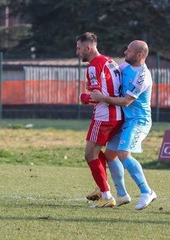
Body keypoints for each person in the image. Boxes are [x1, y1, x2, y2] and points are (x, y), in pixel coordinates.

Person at [90, 40, 157, 210]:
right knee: (110, 155)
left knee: (123, 153)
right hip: (124, 120)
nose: (125, 52)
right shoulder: (124, 67)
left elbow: (127, 101)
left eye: (129, 50)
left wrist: (102, 98)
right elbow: (110, 80)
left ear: (140, 55)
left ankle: (146, 191)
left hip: (138, 121)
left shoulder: (143, 76)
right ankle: (122, 195)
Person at [76, 32, 124, 208]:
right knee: (97, 152)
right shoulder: (109, 61)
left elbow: (96, 97)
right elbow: (110, 87)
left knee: (90, 154)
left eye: (79, 48)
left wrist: (83, 97)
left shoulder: (94, 66)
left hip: (104, 116)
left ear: (88, 47)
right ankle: (101, 187)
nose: (77, 52)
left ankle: (106, 195)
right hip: (117, 115)